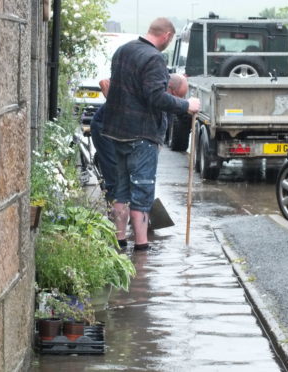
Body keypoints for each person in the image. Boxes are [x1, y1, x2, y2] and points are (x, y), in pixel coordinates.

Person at [102, 18, 200, 250]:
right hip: (141, 135)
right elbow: (156, 96)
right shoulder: (154, 58)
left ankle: (120, 242)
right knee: (142, 193)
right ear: (166, 36)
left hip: (117, 132)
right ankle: (142, 249)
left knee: (121, 191)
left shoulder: (122, 51)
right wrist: (186, 105)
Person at [91, 74, 189, 204]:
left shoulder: (161, 99)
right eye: (178, 96)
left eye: (182, 98)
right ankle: (113, 217)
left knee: (135, 176)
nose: (178, 100)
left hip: (129, 134)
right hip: (105, 127)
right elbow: (104, 83)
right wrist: (118, 108)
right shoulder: (146, 83)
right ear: (169, 88)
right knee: (116, 178)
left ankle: (130, 212)